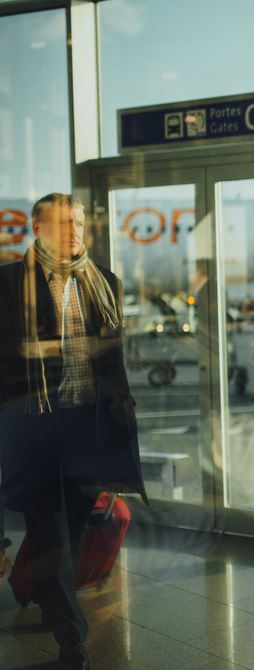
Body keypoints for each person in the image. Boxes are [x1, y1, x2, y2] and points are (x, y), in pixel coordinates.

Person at [0, 193, 146, 670]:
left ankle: (44, 588)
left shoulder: (103, 282)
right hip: (36, 426)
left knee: (75, 527)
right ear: (38, 229)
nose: (74, 231)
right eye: (63, 223)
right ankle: (72, 641)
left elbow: (112, 360)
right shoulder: (9, 283)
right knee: (50, 530)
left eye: (79, 222)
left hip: (89, 426)